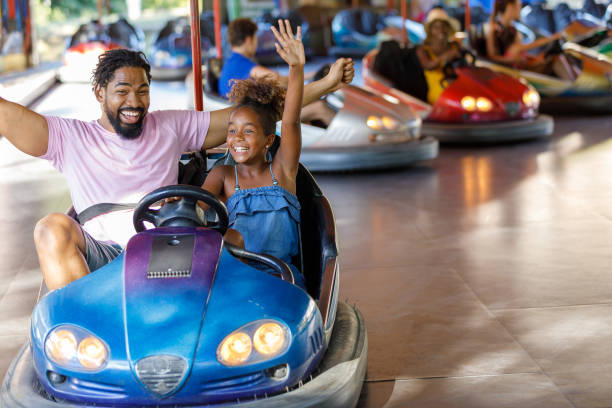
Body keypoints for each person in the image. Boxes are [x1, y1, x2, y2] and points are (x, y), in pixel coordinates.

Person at [0, 33, 354, 291]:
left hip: (168, 252)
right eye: (122, 91)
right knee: (50, 228)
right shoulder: (68, 137)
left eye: (142, 91)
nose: (134, 101)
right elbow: (9, 117)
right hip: (104, 259)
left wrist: (325, 84)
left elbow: (258, 115)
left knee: (229, 241)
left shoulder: (170, 125)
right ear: (100, 93)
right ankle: (80, 332)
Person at [201, 20, 307, 289]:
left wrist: (296, 68)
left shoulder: (282, 170)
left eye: (248, 132)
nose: (237, 138)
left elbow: (292, 120)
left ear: (268, 140)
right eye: (232, 131)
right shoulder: (223, 175)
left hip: (282, 279)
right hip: (238, 278)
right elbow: (196, 209)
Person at [218, 17, 338, 127]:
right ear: (249, 40)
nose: (256, 44)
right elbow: (277, 79)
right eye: (256, 39)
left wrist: (312, 74)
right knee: (319, 107)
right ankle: (353, 142)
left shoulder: (231, 62)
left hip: (246, 111)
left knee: (307, 112)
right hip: (254, 116)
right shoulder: (240, 62)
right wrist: (317, 80)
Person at [485, 0, 580, 80]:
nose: (520, 9)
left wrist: (534, 58)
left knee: (560, 56)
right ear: (510, 7)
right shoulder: (494, 29)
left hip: (522, 64)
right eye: (519, 6)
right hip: (514, 70)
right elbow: (492, 56)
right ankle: (576, 86)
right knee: (557, 59)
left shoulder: (512, 28)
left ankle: (578, 82)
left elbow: (521, 52)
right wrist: (511, 60)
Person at [415, 8, 463, 104]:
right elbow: (428, 65)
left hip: (456, 87)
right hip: (439, 93)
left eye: (444, 26)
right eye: (436, 27)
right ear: (431, 30)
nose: (441, 30)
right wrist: (445, 56)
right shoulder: (423, 49)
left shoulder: (454, 46)